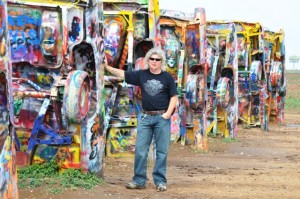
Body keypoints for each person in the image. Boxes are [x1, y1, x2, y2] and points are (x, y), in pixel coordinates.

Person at [104, 47, 178, 192]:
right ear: (148, 60)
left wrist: (167, 115)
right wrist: (106, 67)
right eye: (152, 59)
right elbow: (123, 74)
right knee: (140, 150)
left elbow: (174, 97)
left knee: (162, 151)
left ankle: (160, 181)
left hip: (161, 118)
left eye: (157, 59)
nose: (154, 62)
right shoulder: (141, 75)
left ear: (161, 62)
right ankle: (139, 180)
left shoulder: (167, 77)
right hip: (145, 117)